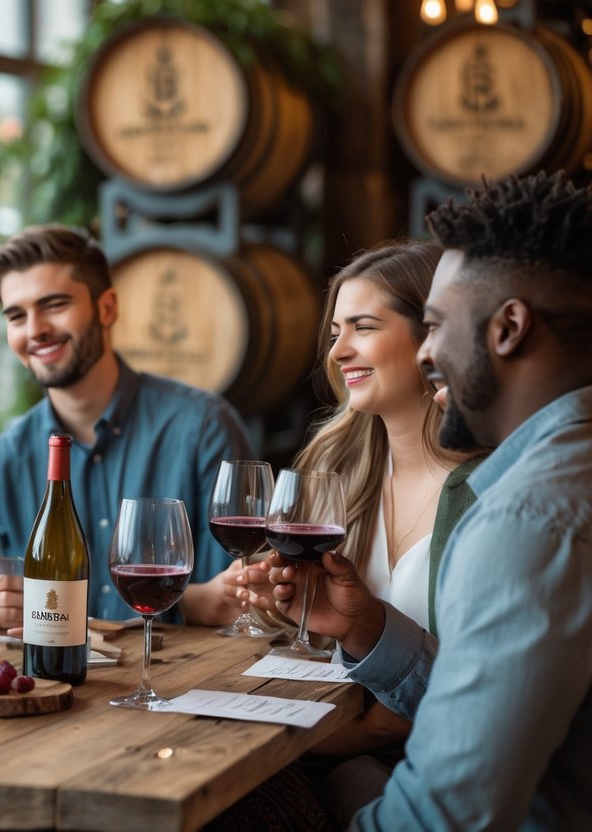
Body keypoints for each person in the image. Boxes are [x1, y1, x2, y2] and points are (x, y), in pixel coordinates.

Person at [248, 171, 592, 829]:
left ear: (508, 328)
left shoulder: (527, 517)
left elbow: (442, 816)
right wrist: (368, 630)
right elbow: (493, 708)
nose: (427, 353)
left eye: (434, 325)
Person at [220, 240, 482, 826]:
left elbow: (476, 699)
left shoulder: (490, 491)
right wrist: (280, 602)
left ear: (433, 336)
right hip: (342, 744)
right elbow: (307, 636)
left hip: (435, 776)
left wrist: (340, 740)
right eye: (335, 330)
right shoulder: (339, 464)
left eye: (362, 327)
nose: (338, 351)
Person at [0, 224, 253, 628]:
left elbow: (232, 602)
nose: (34, 329)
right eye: (17, 315)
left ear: (106, 308)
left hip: (184, 687)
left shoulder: (204, 429)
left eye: (53, 305)